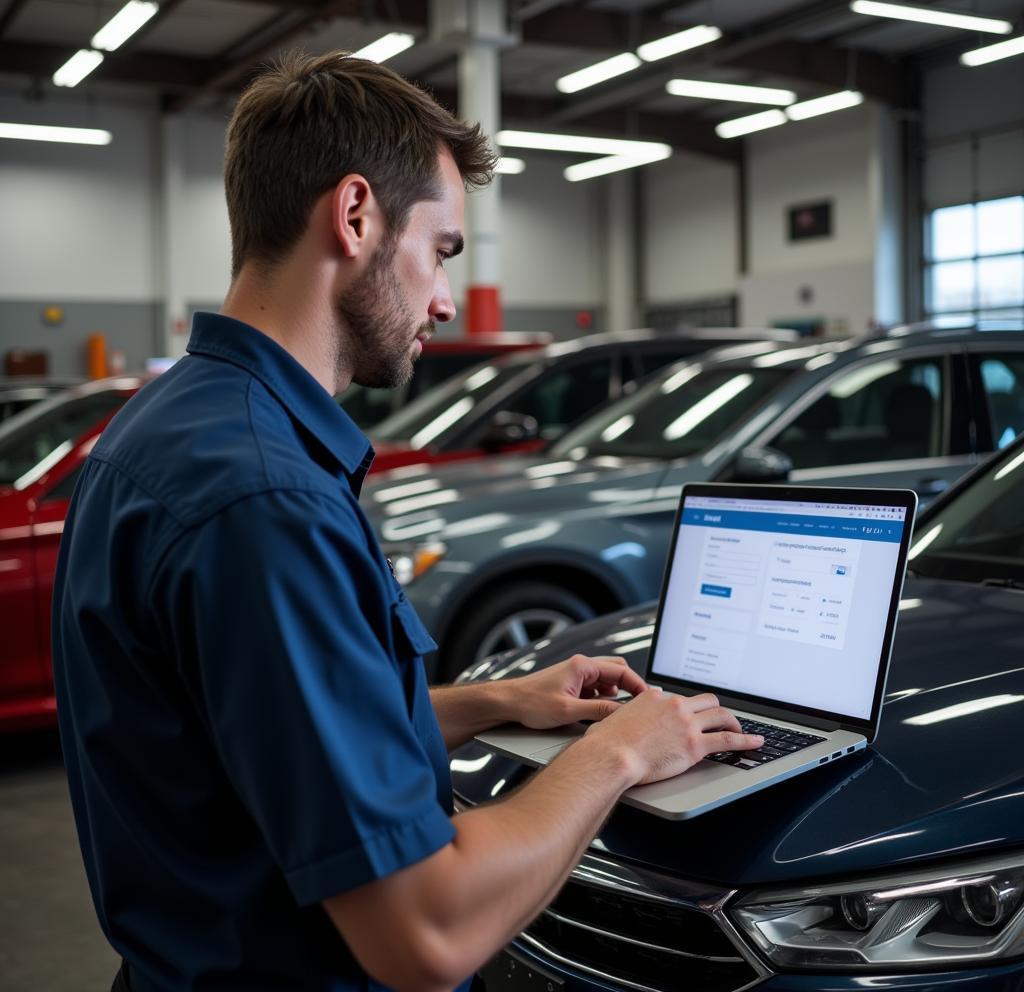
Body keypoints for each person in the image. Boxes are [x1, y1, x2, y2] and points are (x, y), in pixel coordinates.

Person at [53, 51, 763, 992]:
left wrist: (496, 704)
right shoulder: (264, 502)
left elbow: (260, 738)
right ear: (355, 216)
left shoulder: (171, 425)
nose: (441, 299)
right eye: (441, 251)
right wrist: (620, 751)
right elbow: (423, 931)